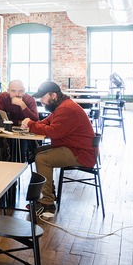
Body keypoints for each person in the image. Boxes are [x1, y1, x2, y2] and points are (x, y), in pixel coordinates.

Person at [20, 81, 96, 218]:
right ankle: (47, 191)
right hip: (72, 147)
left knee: (42, 158)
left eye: (43, 98)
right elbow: (47, 122)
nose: (41, 101)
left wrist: (31, 124)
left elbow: (53, 132)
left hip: (81, 153)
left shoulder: (66, 109)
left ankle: (47, 203)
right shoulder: (62, 106)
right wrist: (33, 125)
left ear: (53, 95)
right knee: (37, 152)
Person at [0, 80, 39, 162]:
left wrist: (22, 105)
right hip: (6, 131)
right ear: (8, 91)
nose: (17, 94)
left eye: (20, 91)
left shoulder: (29, 99)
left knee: (21, 147)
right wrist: (19, 122)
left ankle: (20, 165)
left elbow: (35, 119)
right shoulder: (2, 97)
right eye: (13, 91)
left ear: (24, 91)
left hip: (24, 133)